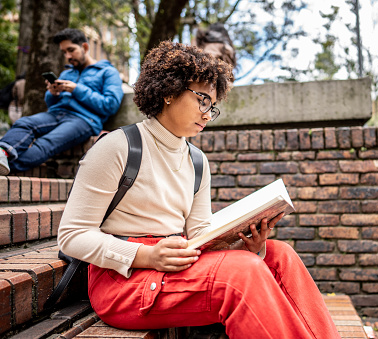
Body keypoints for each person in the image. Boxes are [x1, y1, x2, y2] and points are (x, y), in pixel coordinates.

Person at [57, 41, 340, 339]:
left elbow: (201, 235)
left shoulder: (197, 161)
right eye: (202, 99)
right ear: (168, 91)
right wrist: (146, 256)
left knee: (279, 255)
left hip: (176, 263)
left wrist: (247, 246)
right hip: (122, 282)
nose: (207, 114)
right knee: (243, 274)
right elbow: (73, 236)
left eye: (212, 106)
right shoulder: (117, 146)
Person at [0, 28, 124, 175]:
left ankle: (8, 167)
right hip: (56, 114)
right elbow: (52, 104)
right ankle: (3, 153)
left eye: (71, 50)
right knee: (24, 122)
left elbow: (110, 104)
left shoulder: (107, 72)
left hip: (84, 120)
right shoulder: (67, 73)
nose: (68, 56)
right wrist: (52, 93)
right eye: (64, 52)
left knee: (46, 143)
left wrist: (77, 89)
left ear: (84, 47)